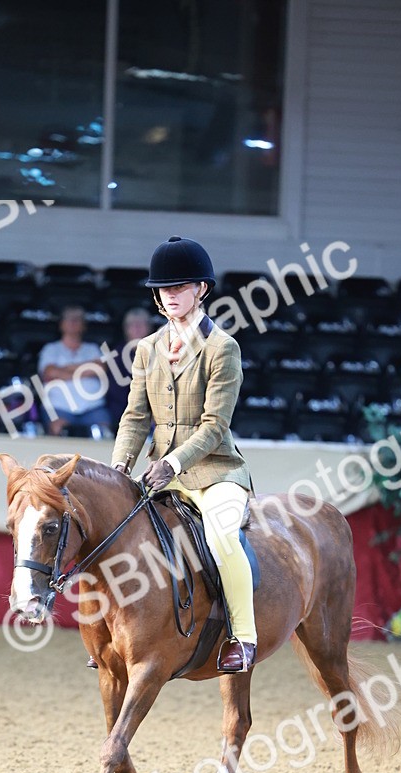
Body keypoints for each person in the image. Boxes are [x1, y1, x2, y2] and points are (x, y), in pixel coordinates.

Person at [110, 235, 257, 673]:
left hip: (215, 472)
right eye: (164, 289)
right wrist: (120, 466)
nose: (171, 295)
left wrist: (172, 462)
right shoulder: (147, 349)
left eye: (180, 287)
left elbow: (216, 427)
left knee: (221, 537)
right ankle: (112, 633)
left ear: (201, 290)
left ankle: (242, 636)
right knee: (115, 530)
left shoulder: (222, 349)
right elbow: (135, 417)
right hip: (158, 472)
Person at [37, 306, 112, 436]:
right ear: (61, 324)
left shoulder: (92, 348)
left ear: (84, 326)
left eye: (77, 320)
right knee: (57, 429)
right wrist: (86, 369)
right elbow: (50, 372)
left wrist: (64, 370)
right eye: (69, 319)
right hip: (59, 407)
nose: (73, 322)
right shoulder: (51, 349)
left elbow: (100, 368)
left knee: (104, 432)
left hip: (92, 408)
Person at [105, 307, 154, 431]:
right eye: (132, 325)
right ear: (126, 329)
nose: (137, 328)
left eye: (141, 324)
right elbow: (115, 391)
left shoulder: (160, 352)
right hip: (123, 409)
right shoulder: (116, 354)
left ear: (149, 328)